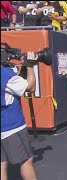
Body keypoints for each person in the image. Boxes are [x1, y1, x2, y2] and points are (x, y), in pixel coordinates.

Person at [1, 52, 38, 180]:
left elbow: (15, 85)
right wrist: (30, 66)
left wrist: (23, 66)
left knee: (2, 164)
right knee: (26, 161)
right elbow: (31, 87)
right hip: (12, 127)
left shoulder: (7, 77)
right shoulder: (4, 74)